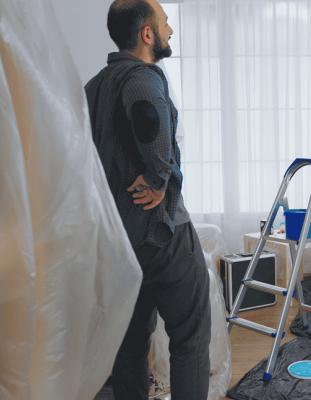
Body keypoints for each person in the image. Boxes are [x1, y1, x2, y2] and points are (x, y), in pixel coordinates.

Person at [84, 1, 210, 399]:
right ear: (147, 33)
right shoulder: (142, 77)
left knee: (130, 343)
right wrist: (158, 176)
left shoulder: (94, 87)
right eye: (165, 22)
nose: (170, 30)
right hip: (162, 236)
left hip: (119, 244)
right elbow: (148, 115)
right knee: (190, 338)